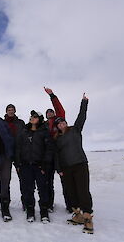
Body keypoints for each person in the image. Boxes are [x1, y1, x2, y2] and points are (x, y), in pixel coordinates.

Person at [54, 93, 94, 234]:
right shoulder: (57, 139)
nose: (61, 124)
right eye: (58, 123)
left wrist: (84, 103)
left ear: (65, 123)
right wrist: (59, 169)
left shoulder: (75, 130)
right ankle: (78, 215)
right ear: (57, 127)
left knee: (83, 192)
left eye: (63, 122)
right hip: (66, 169)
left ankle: (88, 219)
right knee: (71, 193)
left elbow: (81, 116)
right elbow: (56, 156)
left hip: (80, 165)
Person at [15, 110, 54, 223]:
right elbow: (18, 148)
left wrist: (45, 164)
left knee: (43, 189)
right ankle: (30, 211)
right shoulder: (24, 132)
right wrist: (18, 164)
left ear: (40, 119)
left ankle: (44, 212)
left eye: (35, 117)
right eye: (32, 116)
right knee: (28, 189)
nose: (32, 118)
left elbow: (49, 149)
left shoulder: (44, 132)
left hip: (40, 166)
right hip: (26, 166)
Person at [44, 87, 72, 213]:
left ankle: (71, 205)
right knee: (48, 182)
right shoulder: (43, 125)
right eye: (48, 112)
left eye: (51, 111)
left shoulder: (58, 120)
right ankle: (49, 204)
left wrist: (52, 96)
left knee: (66, 181)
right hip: (49, 156)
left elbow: (60, 108)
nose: (50, 113)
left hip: (62, 154)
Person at [4, 104, 26, 210]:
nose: (11, 111)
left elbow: (25, 135)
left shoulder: (20, 123)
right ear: (6, 111)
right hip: (7, 153)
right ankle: (5, 202)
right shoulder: (2, 123)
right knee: (5, 179)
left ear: (15, 111)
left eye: (12, 109)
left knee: (23, 178)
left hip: (19, 153)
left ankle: (26, 201)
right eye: (9, 110)